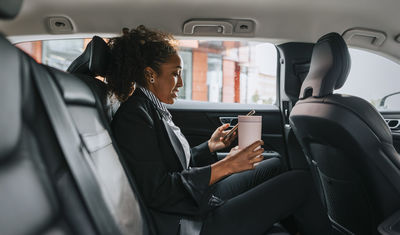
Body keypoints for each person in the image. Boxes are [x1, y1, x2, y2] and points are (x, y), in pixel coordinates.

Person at [107, 25, 332, 235]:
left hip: (193, 202)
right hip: (188, 222)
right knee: (300, 183)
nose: (181, 83)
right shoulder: (135, 117)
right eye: (175, 73)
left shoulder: (151, 107)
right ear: (150, 75)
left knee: (275, 164)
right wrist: (226, 166)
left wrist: (209, 147)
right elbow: (158, 191)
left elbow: (170, 163)